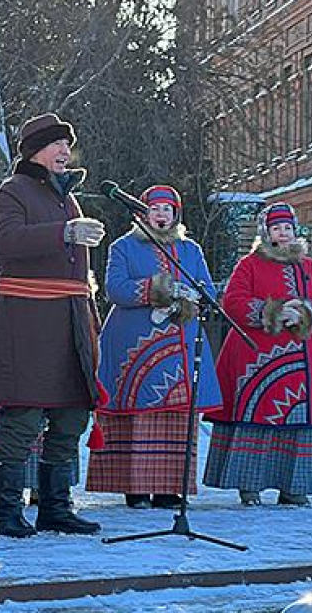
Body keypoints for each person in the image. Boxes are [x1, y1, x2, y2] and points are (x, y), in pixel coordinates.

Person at [0, 112, 105, 538]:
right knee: (23, 419)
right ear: (35, 151)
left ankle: (56, 508)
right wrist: (64, 232)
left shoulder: (69, 196)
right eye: (57, 145)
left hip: (69, 321)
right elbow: (6, 242)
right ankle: (7, 513)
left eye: (68, 144)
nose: (66, 152)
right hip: (28, 324)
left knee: (70, 418)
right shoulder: (12, 191)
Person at [85, 185, 221, 509]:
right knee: (136, 417)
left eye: (167, 209)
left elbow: (208, 290)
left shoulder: (191, 251)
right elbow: (115, 290)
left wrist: (191, 295)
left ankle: (169, 488)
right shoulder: (123, 247)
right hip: (132, 344)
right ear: (142, 213)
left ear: (176, 214)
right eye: (155, 208)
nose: (161, 215)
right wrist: (155, 290)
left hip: (179, 345)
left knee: (175, 417)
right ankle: (134, 488)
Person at [203, 202, 312, 506]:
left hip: (299, 365)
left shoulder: (308, 267)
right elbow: (234, 301)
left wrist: (304, 313)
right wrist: (274, 313)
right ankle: (249, 487)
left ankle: (294, 487)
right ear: (266, 233)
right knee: (255, 419)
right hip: (256, 360)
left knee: (298, 425)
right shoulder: (249, 265)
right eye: (277, 228)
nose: (283, 233)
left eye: (288, 228)